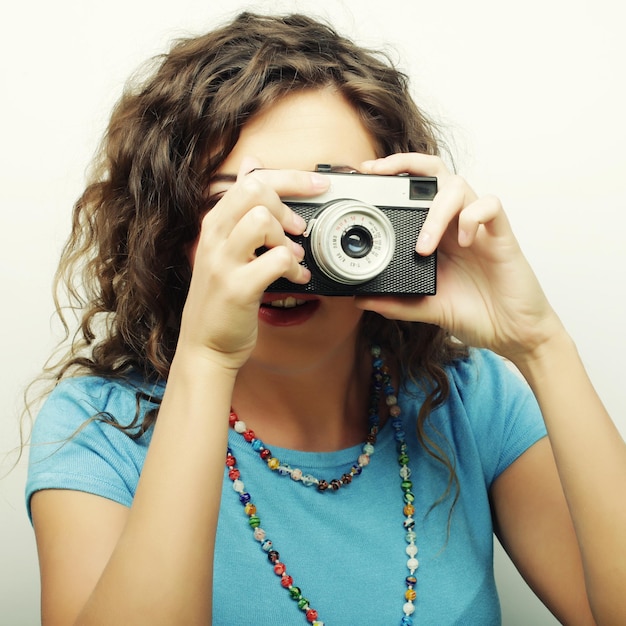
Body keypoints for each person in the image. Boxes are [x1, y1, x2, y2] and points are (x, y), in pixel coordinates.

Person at [24, 11, 626, 626]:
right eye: (233, 206)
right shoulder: (97, 432)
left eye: (328, 204)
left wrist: (541, 341)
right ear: (171, 230)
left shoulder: (469, 402)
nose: (284, 252)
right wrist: (206, 360)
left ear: (402, 212)